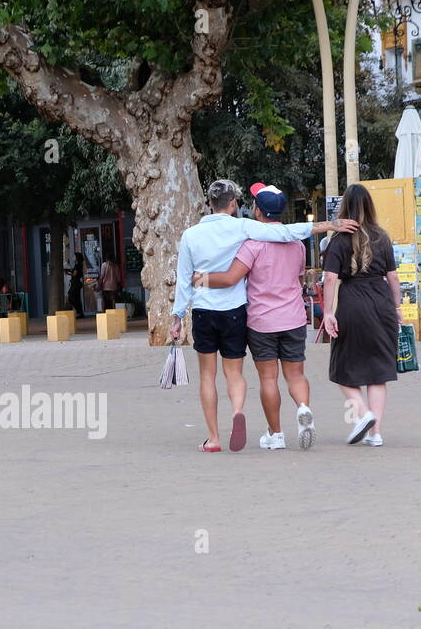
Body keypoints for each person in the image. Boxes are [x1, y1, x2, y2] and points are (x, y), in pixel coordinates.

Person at [171, 178, 357, 453]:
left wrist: (177, 315)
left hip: (213, 313)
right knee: (240, 373)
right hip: (248, 313)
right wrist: (329, 225)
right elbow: (286, 234)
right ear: (233, 203)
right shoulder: (247, 229)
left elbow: (185, 278)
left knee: (210, 376)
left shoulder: (194, 235)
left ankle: (218, 438)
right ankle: (246, 410)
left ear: (210, 203)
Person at [190, 184, 315, 451]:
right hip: (293, 318)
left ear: (258, 211)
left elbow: (232, 278)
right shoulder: (296, 245)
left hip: (262, 321)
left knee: (268, 378)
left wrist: (202, 280)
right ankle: (303, 408)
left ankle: (276, 434)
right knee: (295, 375)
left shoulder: (252, 245)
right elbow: (299, 277)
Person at [320, 184, 401, 446]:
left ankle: (363, 413)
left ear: (345, 206)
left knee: (343, 367)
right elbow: (393, 276)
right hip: (381, 301)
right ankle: (375, 433)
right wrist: (397, 307)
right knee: (378, 370)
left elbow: (331, 279)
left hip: (352, 303)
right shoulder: (382, 236)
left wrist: (328, 313)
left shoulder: (339, 241)